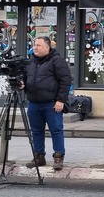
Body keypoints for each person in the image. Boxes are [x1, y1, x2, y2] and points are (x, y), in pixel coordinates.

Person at [23, 36, 73, 171]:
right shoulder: (31, 62)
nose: (35, 48)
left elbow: (65, 80)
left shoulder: (57, 60)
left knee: (56, 130)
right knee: (36, 131)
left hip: (51, 103)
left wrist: (61, 100)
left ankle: (58, 157)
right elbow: (26, 77)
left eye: (38, 45)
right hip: (34, 103)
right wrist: (22, 84)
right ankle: (39, 157)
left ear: (47, 47)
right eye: (34, 45)